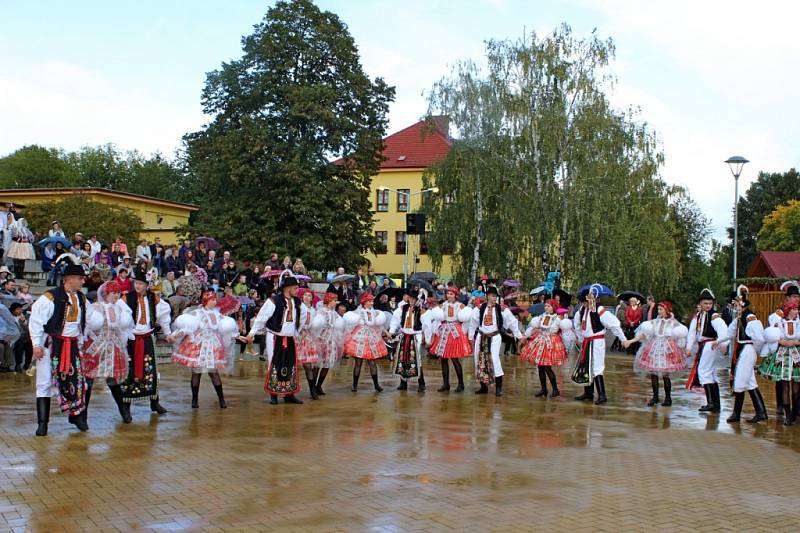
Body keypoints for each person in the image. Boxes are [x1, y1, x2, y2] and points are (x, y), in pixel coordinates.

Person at [28, 254, 101, 435]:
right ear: (68, 279)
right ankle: (43, 423)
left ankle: (76, 416)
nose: (82, 281)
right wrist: (36, 345)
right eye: (79, 278)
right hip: (52, 345)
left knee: (76, 382)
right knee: (44, 382)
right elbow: (36, 321)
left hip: (73, 346)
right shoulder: (50, 297)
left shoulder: (82, 299)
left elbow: (88, 321)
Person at [119, 270, 174, 418]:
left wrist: (168, 333)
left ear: (146, 285)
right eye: (136, 283)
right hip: (131, 340)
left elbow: (163, 316)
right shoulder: (126, 298)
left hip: (148, 338)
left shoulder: (153, 298)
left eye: (141, 283)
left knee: (151, 370)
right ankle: (126, 406)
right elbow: (119, 317)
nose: (138, 286)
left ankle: (154, 402)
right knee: (129, 372)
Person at [172, 291, 237, 409]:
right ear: (206, 300)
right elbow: (187, 327)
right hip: (198, 344)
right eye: (212, 299)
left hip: (213, 345)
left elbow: (227, 330)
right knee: (196, 373)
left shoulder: (218, 314)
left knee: (214, 373)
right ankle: (194, 399)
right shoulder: (196, 313)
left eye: (215, 299)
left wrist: (239, 336)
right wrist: (174, 335)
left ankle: (222, 399)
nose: (215, 301)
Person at [81, 280, 135, 424]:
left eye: (118, 293)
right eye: (113, 292)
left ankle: (123, 409)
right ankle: (83, 415)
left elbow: (121, 329)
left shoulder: (119, 309)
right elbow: (88, 326)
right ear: (105, 293)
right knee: (89, 380)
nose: (116, 296)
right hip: (96, 347)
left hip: (112, 346)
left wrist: (122, 342)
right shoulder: (95, 307)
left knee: (113, 380)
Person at [247, 273, 304, 405]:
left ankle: (289, 394)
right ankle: (274, 394)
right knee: (274, 363)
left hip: (290, 337)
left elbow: (300, 318)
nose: (297, 290)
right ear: (287, 288)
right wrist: (252, 333)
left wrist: (298, 333)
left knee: (290, 364)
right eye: (295, 288)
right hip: (275, 336)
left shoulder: (296, 301)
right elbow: (261, 318)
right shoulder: (274, 300)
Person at [623, 301, 688, 406]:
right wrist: (630, 341)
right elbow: (644, 335)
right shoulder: (654, 322)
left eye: (661, 309)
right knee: (653, 374)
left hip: (667, 350)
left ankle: (668, 398)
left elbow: (680, 338)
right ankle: (655, 397)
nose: (659, 311)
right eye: (658, 309)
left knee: (666, 375)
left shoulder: (674, 323)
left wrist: (685, 350)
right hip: (654, 349)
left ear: (667, 310)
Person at [571, 284, 627, 405]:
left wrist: (623, 339)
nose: (584, 304)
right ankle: (588, 393)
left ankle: (602, 395)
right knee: (586, 366)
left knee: (597, 367)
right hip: (586, 341)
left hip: (597, 341)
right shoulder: (581, 310)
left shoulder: (600, 310)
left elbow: (614, 324)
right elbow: (577, 324)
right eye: (583, 302)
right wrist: (580, 338)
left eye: (585, 302)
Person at [721, 287, 767, 424]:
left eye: (734, 304)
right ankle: (761, 412)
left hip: (747, 349)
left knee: (740, 381)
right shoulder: (740, 317)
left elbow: (759, 338)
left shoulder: (750, 317)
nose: (732, 307)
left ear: (740, 303)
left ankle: (736, 414)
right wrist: (719, 343)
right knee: (750, 383)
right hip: (743, 349)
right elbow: (729, 333)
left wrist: (756, 350)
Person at [468, 286, 523, 397]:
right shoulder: (479, 308)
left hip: (494, 337)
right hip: (481, 336)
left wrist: (519, 336)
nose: (494, 298)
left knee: (494, 359)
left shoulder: (501, 309)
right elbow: (473, 322)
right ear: (487, 296)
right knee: (479, 359)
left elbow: (512, 322)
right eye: (492, 296)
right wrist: (470, 337)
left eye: (495, 296)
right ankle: (483, 387)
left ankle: (498, 388)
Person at [684, 288, 728, 413]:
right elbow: (692, 333)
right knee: (710, 373)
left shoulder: (714, 316)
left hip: (710, 345)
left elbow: (723, 331)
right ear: (700, 304)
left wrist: (722, 344)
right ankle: (715, 403)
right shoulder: (698, 316)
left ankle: (711, 403)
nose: (708, 306)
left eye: (710, 303)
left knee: (704, 372)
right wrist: (688, 348)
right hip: (703, 346)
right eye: (705, 303)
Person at [520, 299, 571, 398]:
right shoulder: (542, 316)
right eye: (546, 306)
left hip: (551, 342)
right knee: (540, 367)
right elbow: (536, 327)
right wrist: (527, 335)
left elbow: (559, 330)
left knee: (547, 367)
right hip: (541, 340)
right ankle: (543, 389)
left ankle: (555, 389)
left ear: (554, 307)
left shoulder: (558, 318)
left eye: (549, 306)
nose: (546, 308)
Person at [760, 301, 800, 424]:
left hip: (797, 355)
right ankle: (788, 415)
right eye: (794, 309)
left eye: (797, 309)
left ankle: (795, 414)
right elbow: (773, 337)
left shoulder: (799, 322)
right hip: (782, 356)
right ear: (788, 310)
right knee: (785, 387)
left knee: (796, 388)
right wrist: (783, 342)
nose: (796, 311)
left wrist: (795, 343)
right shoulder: (779, 322)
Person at [427, 286, 472, 392]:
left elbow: (466, 318)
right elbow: (438, 318)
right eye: (448, 294)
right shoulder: (443, 305)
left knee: (455, 358)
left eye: (451, 294)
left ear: (456, 295)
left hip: (455, 331)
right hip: (444, 331)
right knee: (443, 359)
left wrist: (465, 331)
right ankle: (445, 384)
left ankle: (461, 384)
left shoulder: (460, 305)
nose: (449, 296)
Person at [342, 292, 388, 392]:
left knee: (372, 362)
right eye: (370, 301)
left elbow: (378, 325)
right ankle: (354, 385)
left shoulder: (374, 312)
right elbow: (351, 323)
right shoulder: (359, 312)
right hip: (360, 338)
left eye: (372, 301)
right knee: (358, 362)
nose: (372, 303)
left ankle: (376, 385)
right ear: (364, 302)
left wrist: (386, 332)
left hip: (371, 337)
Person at [767, 282, 800, 418]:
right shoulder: (779, 314)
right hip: (783, 353)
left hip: (797, 351)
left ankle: (796, 411)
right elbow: (773, 330)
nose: (797, 299)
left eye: (798, 296)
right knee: (782, 381)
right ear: (787, 298)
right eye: (794, 296)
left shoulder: (798, 314)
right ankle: (782, 407)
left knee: (797, 383)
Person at [389, 289, 426, 392]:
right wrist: (392, 331)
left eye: (413, 299)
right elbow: (395, 319)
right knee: (403, 358)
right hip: (405, 335)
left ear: (416, 299)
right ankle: (403, 382)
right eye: (410, 298)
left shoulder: (420, 309)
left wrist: (426, 337)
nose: (411, 300)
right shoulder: (402, 308)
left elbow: (426, 323)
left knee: (416, 358)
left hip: (415, 335)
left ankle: (421, 383)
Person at [310, 292, 344, 395]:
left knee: (327, 364)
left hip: (331, 340)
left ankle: (319, 386)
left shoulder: (334, 313)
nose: (335, 302)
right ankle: (313, 387)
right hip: (321, 340)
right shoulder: (321, 312)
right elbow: (316, 325)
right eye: (334, 300)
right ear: (329, 301)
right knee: (317, 364)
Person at [295, 288, 322, 400]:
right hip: (298, 336)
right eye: (305, 295)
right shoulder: (299, 307)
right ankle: (292, 390)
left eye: (309, 296)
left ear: (312, 298)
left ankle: (313, 389)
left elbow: (314, 325)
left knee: (311, 364)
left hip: (309, 337)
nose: (307, 297)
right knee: (304, 365)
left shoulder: (313, 310)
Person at [10, 302, 32, 373]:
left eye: (21, 309)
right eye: (18, 309)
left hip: (25, 337)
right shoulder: (9, 317)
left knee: (30, 347)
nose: (20, 311)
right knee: (19, 346)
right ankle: (18, 365)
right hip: (14, 338)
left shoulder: (24, 316)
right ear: (13, 310)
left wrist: (24, 321)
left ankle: (27, 364)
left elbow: (29, 328)